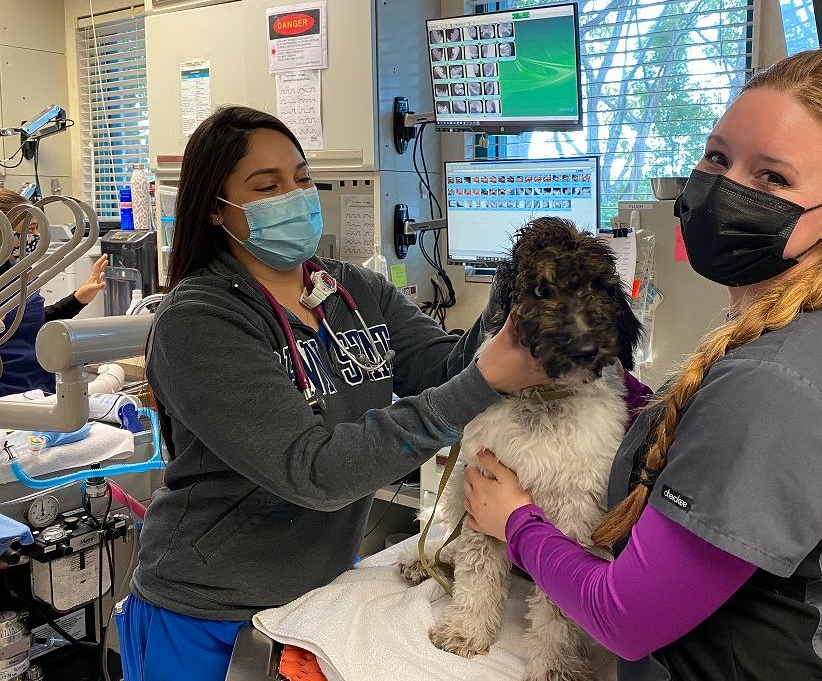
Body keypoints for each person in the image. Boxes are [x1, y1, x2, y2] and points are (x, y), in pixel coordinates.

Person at [464, 48, 822, 680]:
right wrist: (585, 366)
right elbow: (703, 434)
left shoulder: (773, 387)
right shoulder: (820, 329)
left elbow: (624, 616)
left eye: (772, 178)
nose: (728, 189)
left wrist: (515, 522)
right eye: (718, 158)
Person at [116, 106, 549, 681]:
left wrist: (510, 296)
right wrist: (483, 382)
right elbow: (314, 472)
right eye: (267, 187)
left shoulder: (353, 292)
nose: (294, 197)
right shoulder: (199, 321)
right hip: (208, 608)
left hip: (321, 592)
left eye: (302, 179)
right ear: (216, 209)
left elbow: (446, 368)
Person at [0, 189, 108, 397]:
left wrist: (77, 300)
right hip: (6, 396)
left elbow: (31, 324)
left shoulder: (22, 273)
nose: (35, 237)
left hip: (39, 390)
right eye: (30, 229)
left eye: (36, 228)